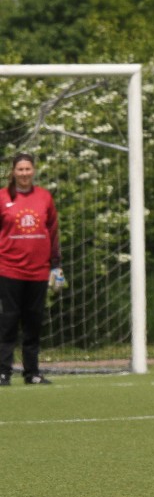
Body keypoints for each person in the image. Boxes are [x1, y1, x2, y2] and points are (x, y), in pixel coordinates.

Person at [0, 152, 64, 387]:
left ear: (33, 171)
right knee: (8, 322)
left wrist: (56, 265)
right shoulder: (2, 197)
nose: (24, 173)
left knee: (33, 323)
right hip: (9, 269)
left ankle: (32, 373)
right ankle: (3, 372)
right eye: (20, 169)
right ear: (13, 172)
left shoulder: (45, 197)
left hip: (39, 271)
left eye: (28, 169)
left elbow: (53, 232)